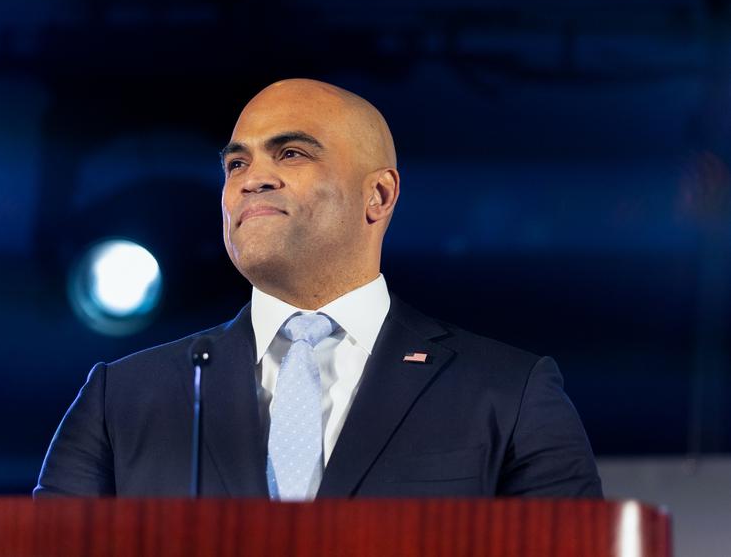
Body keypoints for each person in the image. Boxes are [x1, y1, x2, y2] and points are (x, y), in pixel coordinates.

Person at [34, 79, 603, 499]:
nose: (251, 178)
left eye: (291, 153)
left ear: (377, 196)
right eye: (236, 164)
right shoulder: (122, 399)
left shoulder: (508, 393)